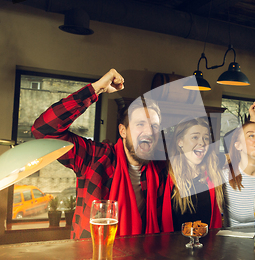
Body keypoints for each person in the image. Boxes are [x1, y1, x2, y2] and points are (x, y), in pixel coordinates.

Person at [32, 69, 167, 239]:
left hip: (141, 259)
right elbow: (43, 130)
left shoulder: (159, 171)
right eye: (140, 124)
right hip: (92, 259)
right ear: (123, 131)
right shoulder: (95, 157)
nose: (149, 132)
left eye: (154, 127)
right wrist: (96, 89)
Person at [162, 117, 225, 231]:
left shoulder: (213, 175)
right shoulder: (165, 176)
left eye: (206, 138)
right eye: (195, 137)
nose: (202, 142)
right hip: (173, 247)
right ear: (180, 142)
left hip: (208, 246)